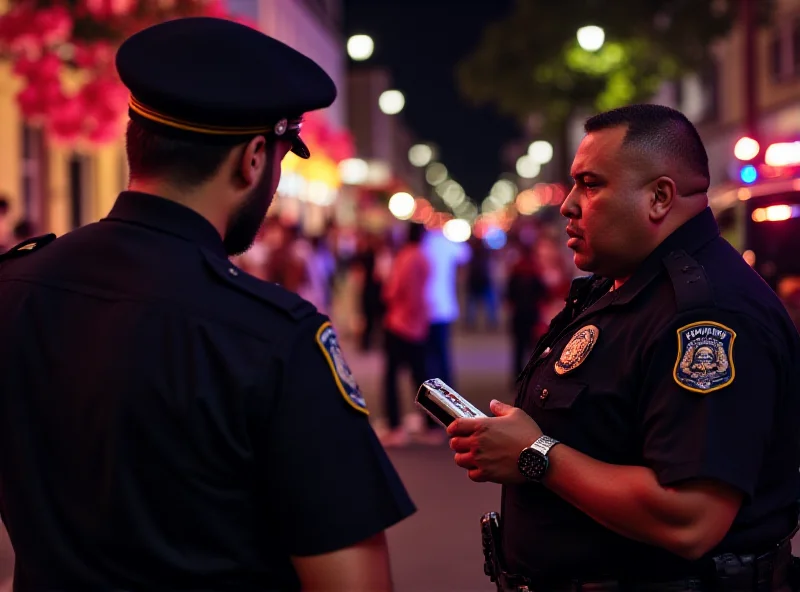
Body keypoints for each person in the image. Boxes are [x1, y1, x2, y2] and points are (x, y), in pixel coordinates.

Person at [0, 17, 414, 591]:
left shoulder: (14, 287)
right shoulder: (275, 337)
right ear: (252, 159)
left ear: (135, 140)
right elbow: (354, 582)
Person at [447, 104, 800, 590]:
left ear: (659, 197)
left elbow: (691, 518)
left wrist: (536, 453)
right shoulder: (621, 286)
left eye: (590, 185)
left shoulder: (705, 316)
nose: (568, 204)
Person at [379, 223, 433, 447]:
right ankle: (429, 423)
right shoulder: (422, 257)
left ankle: (395, 426)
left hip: (401, 324)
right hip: (417, 323)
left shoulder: (405, 258)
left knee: (392, 377)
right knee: (420, 376)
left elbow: (393, 290)